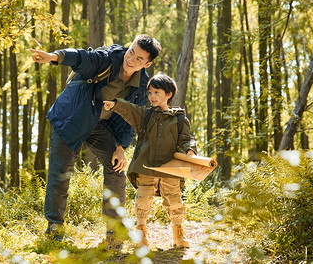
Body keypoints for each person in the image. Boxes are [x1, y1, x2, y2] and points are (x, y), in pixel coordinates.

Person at [30, 35, 162, 246]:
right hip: (72, 117)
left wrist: (120, 146)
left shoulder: (143, 85)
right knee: (60, 173)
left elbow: (131, 118)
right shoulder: (107, 59)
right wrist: (54, 57)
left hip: (100, 126)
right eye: (131, 53)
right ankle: (54, 230)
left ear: (147, 64)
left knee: (117, 167)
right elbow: (82, 58)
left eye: (138, 59)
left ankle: (114, 233)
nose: (131, 60)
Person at [103, 73, 197, 248]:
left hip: (170, 170)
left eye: (157, 92)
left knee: (175, 201)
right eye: (150, 92)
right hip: (145, 168)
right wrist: (115, 104)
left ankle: (178, 234)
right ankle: (141, 232)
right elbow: (129, 109)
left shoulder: (180, 119)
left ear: (168, 94)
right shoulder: (145, 116)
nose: (152, 97)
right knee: (143, 201)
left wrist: (190, 151)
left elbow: (186, 139)